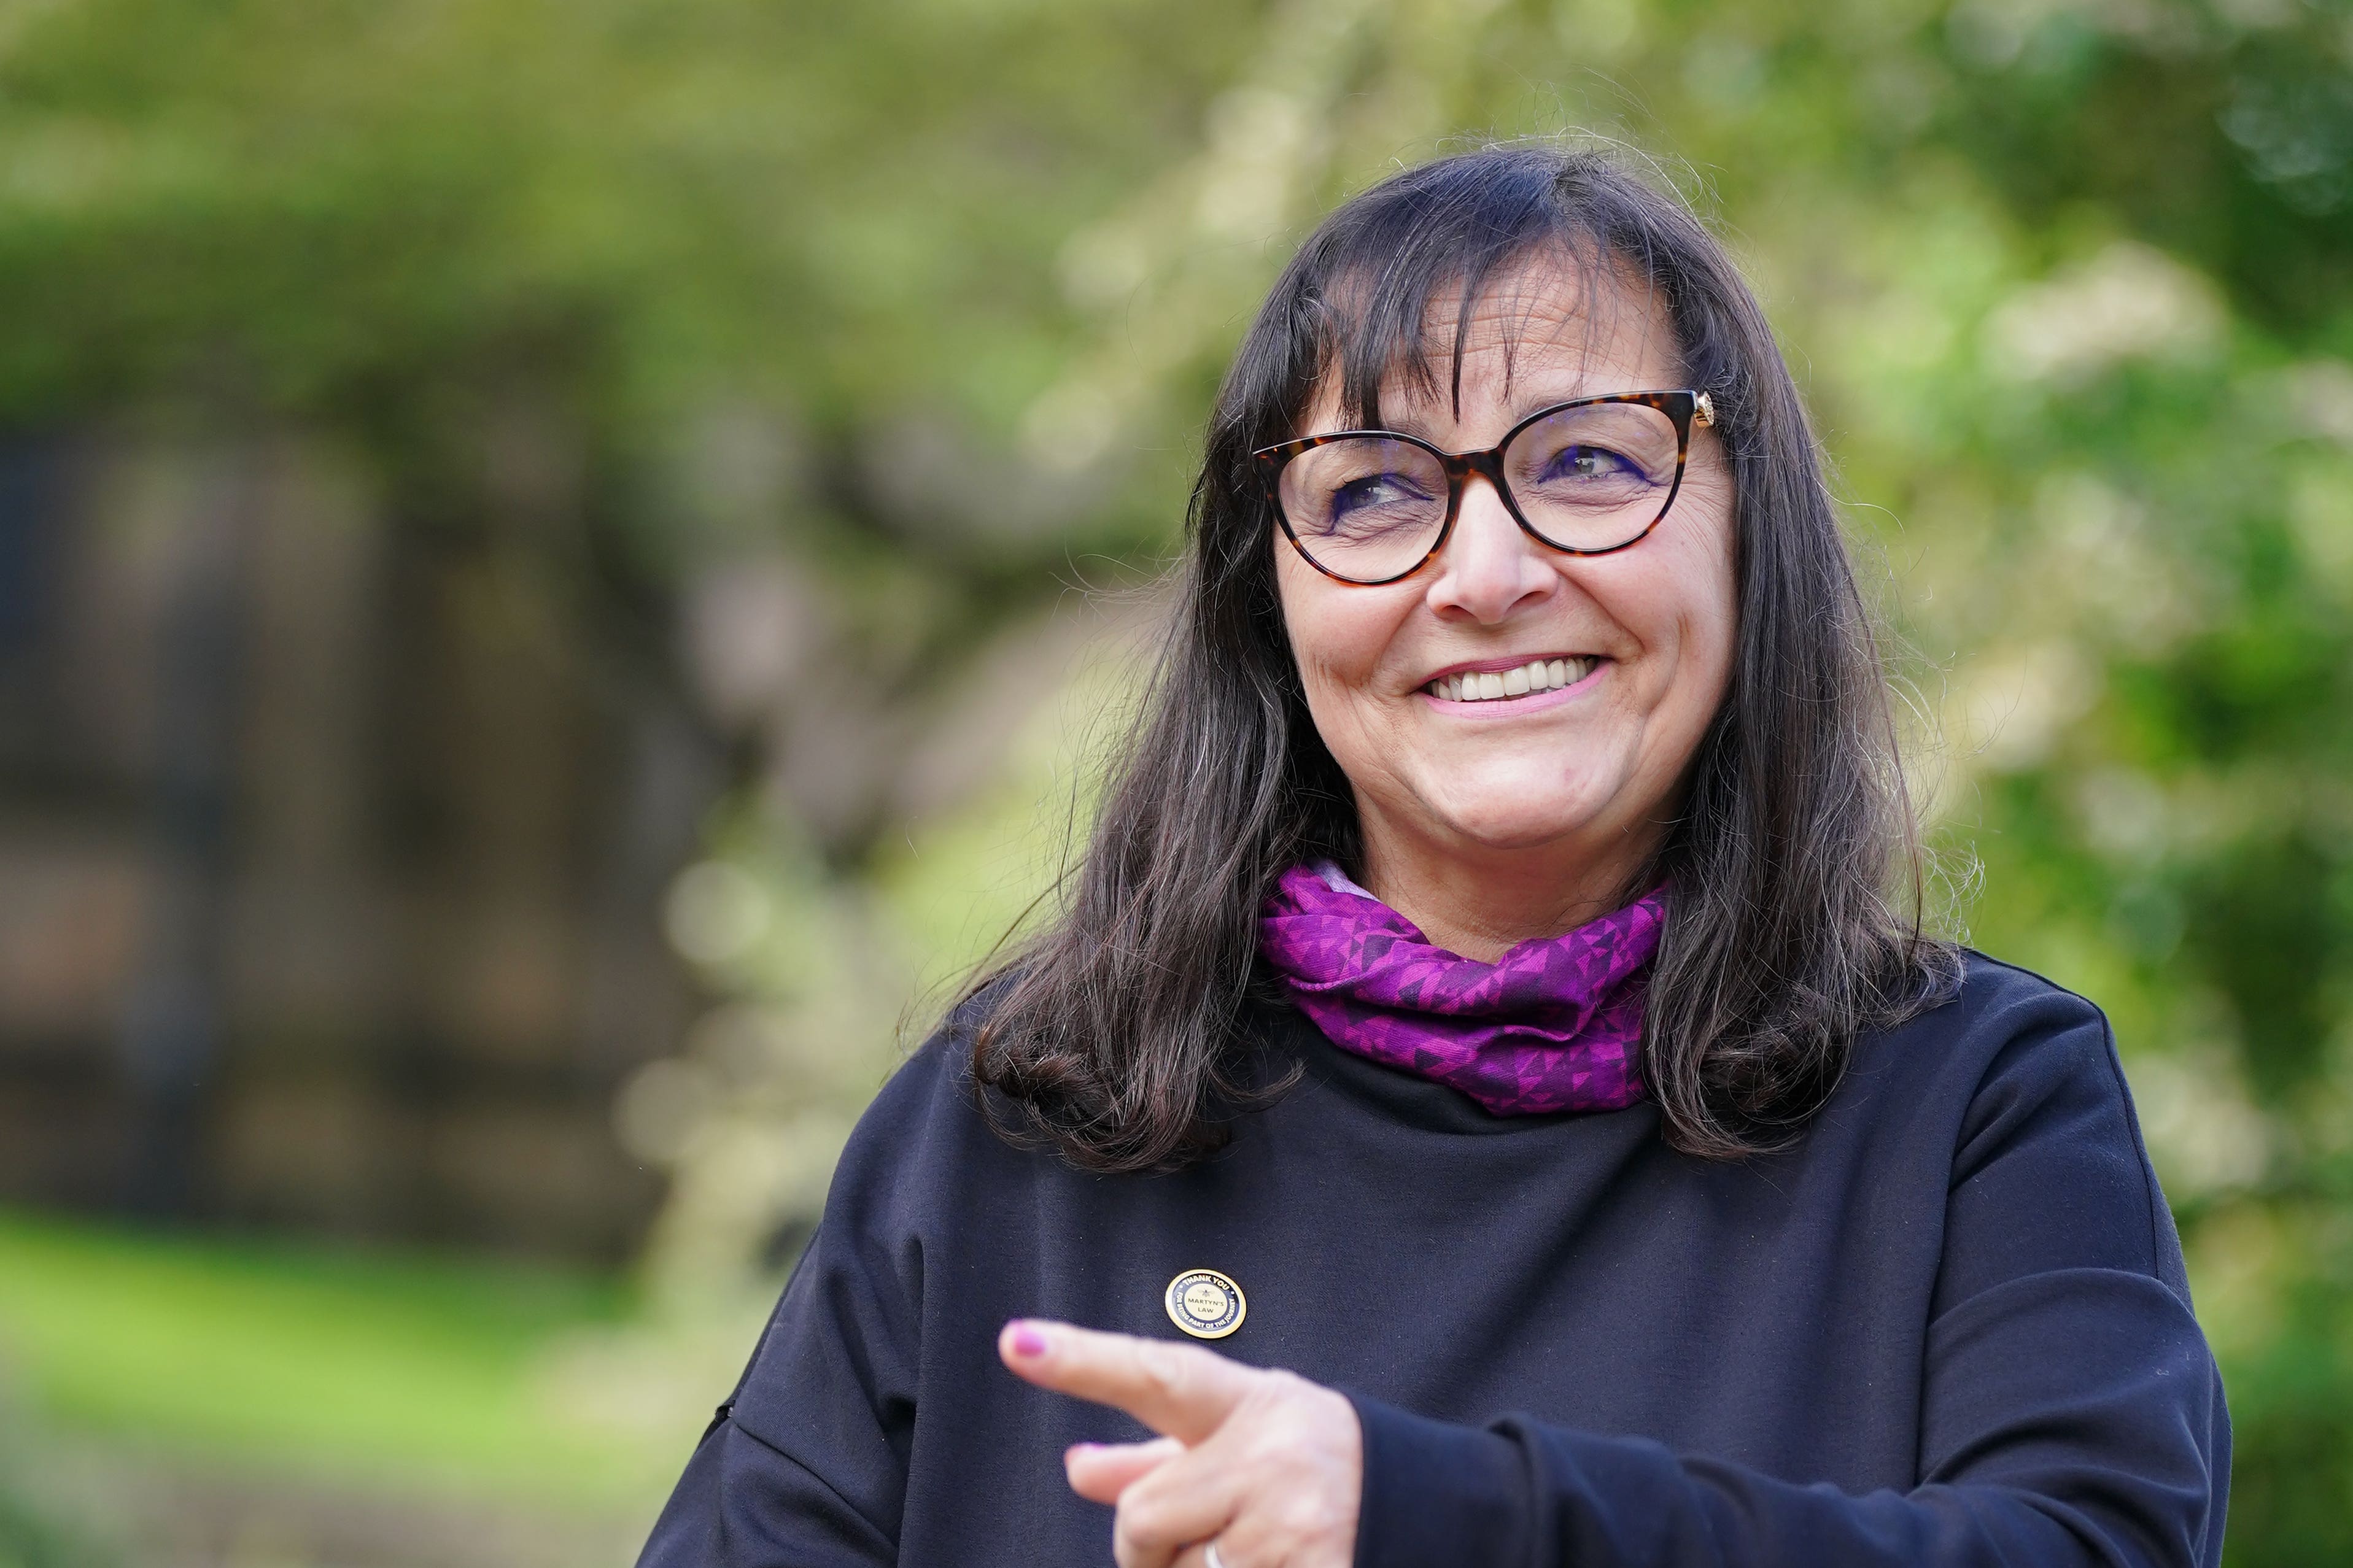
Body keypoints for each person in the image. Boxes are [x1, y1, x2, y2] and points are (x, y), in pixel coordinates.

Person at [637, 144, 2228, 1568]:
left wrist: (1423, 1513)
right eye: (1377, 491)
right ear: (1269, 598)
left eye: (1588, 462)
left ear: (1749, 535)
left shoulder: (1977, 1107)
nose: (1483, 570)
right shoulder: (1020, 1115)